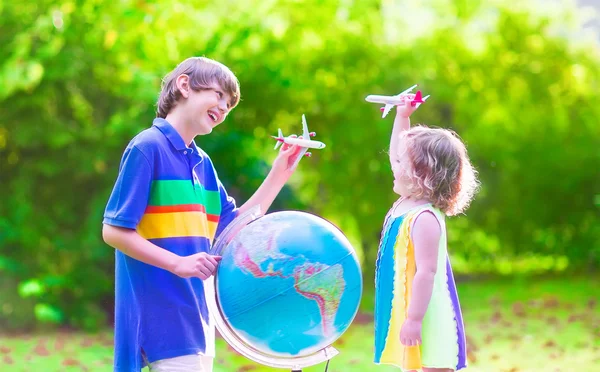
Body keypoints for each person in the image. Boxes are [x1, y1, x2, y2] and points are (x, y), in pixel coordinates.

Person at [102, 57, 304, 372]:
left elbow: (236, 228)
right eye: (218, 95)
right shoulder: (148, 148)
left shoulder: (201, 163)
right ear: (184, 85)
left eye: (229, 105)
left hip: (196, 318)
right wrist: (178, 263)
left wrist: (280, 172)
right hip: (160, 315)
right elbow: (114, 231)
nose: (224, 108)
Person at [373, 92, 479, 372]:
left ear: (421, 176)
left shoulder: (425, 218)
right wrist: (402, 116)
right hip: (413, 307)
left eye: (402, 164)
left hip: (429, 313)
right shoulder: (407, 203)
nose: (394, 165)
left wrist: (415, 319)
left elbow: (426, 271)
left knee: (433, 366)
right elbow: (399, 150)